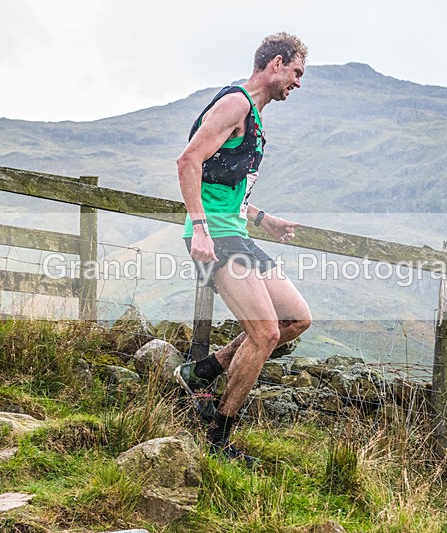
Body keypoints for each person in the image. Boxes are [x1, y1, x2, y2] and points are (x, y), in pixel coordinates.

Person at [174, 32, 312, 464]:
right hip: (215, 236)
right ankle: (217, 436)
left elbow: (223, 183)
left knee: (295, 319)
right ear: (275, 64)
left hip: (237, 231)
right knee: (265, 332)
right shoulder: (236, 103)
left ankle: (202, 372)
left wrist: (261, 217)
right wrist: (200, 229)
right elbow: (188, 161)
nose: (297, 82)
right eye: (296, 72)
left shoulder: (252, 114)